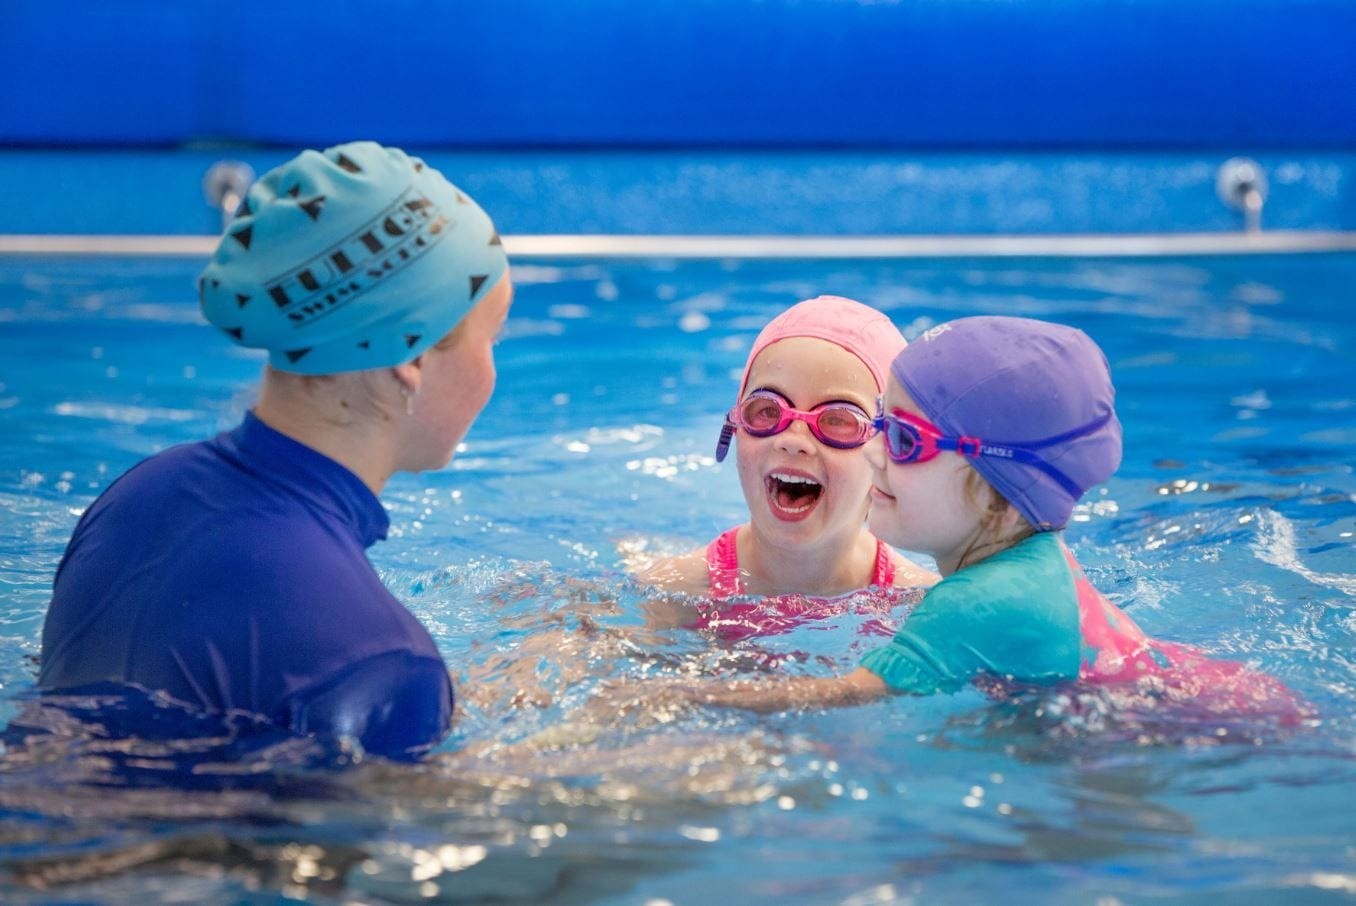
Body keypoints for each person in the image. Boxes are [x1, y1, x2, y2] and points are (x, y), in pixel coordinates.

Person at [36, 141, 512, 761]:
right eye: (491, 339)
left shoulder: (137, 495)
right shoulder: (386, 663)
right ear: (411, 359)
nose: (493, 372)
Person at [612, 316, 1301, 716]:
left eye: (899, 439)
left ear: (997, 489)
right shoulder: (1022, 571)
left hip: (1193, 728)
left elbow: (838, 696)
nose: (879, 458)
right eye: (767, 411)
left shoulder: (958, 605)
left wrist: (676, 697)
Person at [636, 295, 936, 640]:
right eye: (767, 410)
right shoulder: (674, 594)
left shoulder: (917, 606)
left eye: (838, 420)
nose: (793, 440)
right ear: (734, 427)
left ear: (886, 455)